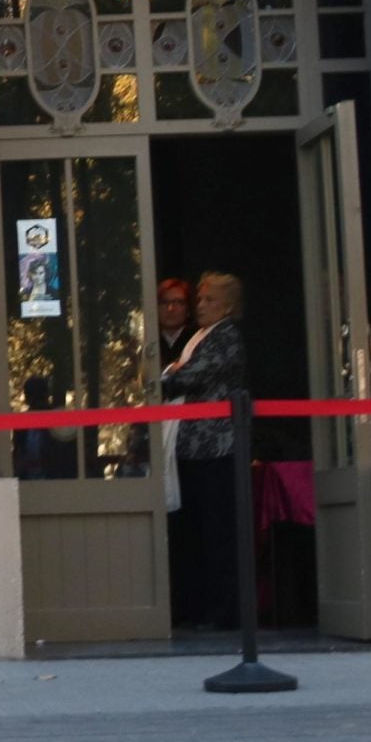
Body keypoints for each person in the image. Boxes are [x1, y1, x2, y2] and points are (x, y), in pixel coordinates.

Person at [163, 270, 248, 630]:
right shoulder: (200, 335)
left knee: (218, 534)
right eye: (199, 299)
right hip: (192, 449)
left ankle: (225, 613)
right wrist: (174, 370)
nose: (201, 305)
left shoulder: (226, 336)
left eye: (209, 299)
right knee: (196, 535)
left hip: (216, 449)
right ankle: (199, 610)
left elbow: (188, 377)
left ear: (228, 307)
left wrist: (171, 372)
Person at [157, 276, 193, 366]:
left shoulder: (198, 340)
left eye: (178, 302)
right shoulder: (147, 341)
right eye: (164, 302)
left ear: (188, 309)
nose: (170, 309)